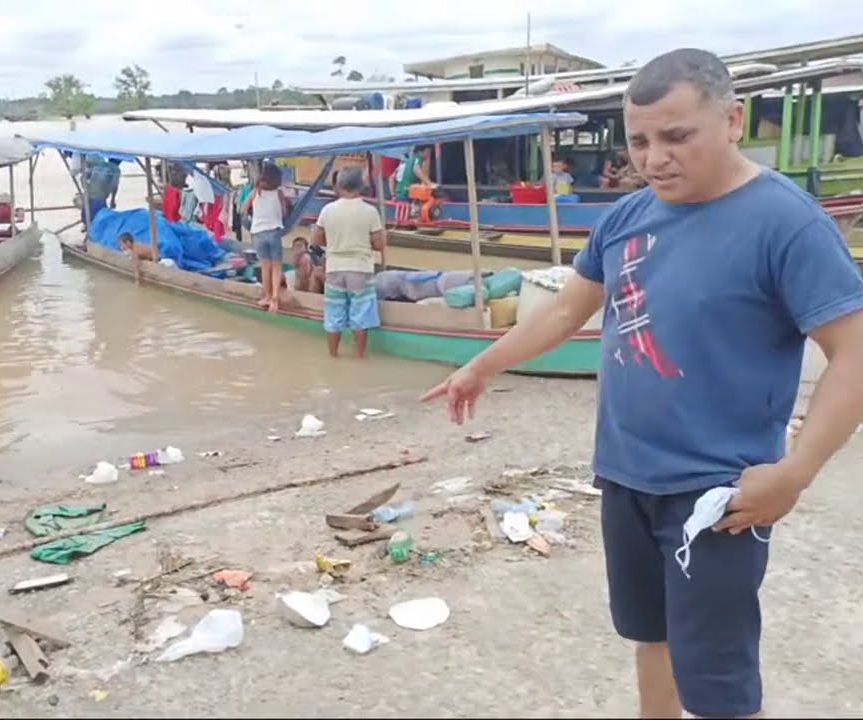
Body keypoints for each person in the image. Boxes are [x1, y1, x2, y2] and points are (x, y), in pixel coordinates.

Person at [420, 48, 863, 720]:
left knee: (716, 680)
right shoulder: (628, 218)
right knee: (650, 640)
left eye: (677, 136)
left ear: (733, 121)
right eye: (640, 140)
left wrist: (796, 472)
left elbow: (853, 350)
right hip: (625, 476)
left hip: (719, 491)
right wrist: (483, 364)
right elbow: (570, 308)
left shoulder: (787, 224)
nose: (655, 158)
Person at [312, 167, 384, 358]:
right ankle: (360, 356)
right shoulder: (370, 211)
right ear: (361, 186)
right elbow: (379, 244)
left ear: (338, 186)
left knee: (334, 315)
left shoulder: (327, 210)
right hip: (360, 269)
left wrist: (334, 242)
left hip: (334, 268)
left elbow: (316, 239)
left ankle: (333, 356)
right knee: (360, 315)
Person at [242, 162, 289, 312]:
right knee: (276, 267)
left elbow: (243, 208)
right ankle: (275, 299)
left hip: (258, 233)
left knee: (265, 267)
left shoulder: (256, 192)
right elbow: (283, 213)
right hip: (274, 231)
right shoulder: (279, 193)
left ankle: (267, 296)